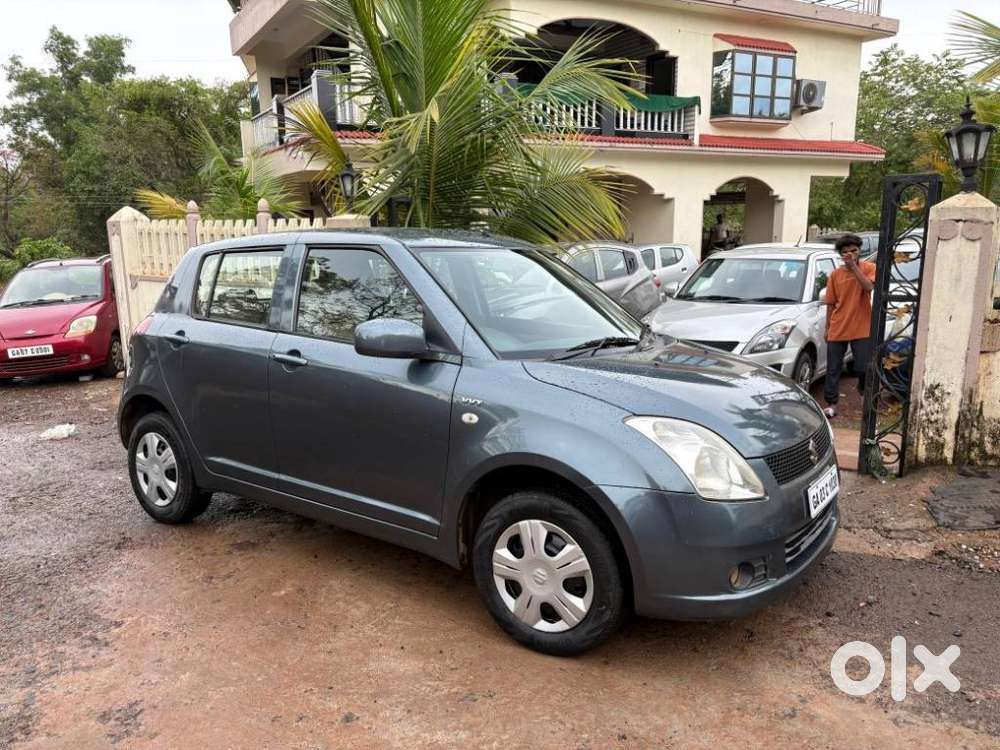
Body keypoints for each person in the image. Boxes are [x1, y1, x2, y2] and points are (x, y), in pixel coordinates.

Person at [822, 234, 876, 419]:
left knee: (862, 368)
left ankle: (862, 389)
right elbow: (830, 303)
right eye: (845, 252)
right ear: (840, 254)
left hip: (862, 326)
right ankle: (831, 403)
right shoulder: (835, 275)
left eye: (854, 250)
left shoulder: (869, 267)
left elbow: (868, 287)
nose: (850, 254)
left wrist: (853, 267)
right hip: (838, 326)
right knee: (833, 368)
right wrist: (827, 328)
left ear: (860, 250)